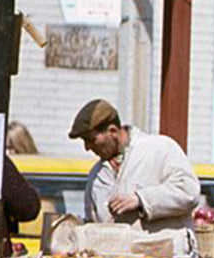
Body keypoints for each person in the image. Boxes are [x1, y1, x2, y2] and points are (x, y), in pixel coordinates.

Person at [68, 99, 200, 233]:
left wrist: (142, 199)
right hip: (119, 253)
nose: (87, 147)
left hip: (166, 252)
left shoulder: (159, 148)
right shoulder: (96, 175)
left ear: (112, 131)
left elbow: (189, 192)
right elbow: (94, 224)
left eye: (91, 140)